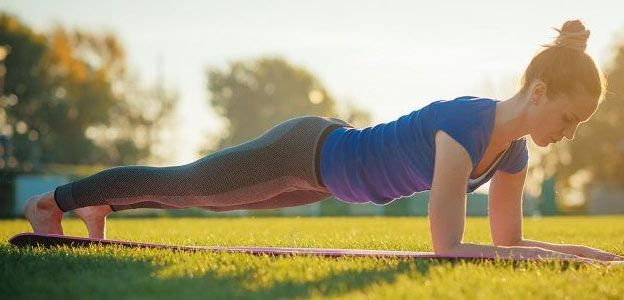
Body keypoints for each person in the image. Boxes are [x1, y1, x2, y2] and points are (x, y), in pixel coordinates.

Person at [24, 19, 623, 262]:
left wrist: (594, 258)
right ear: (539, 92)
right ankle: (55, 202)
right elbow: (449, 247)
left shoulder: (513, 152)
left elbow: (509, 243)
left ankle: (97, 203)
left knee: (197, 194)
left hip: (318, 176)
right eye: (569, 119)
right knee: (189, 184)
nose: (566, 135)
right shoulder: (465, 126)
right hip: (303, 151)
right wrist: (550, 257)